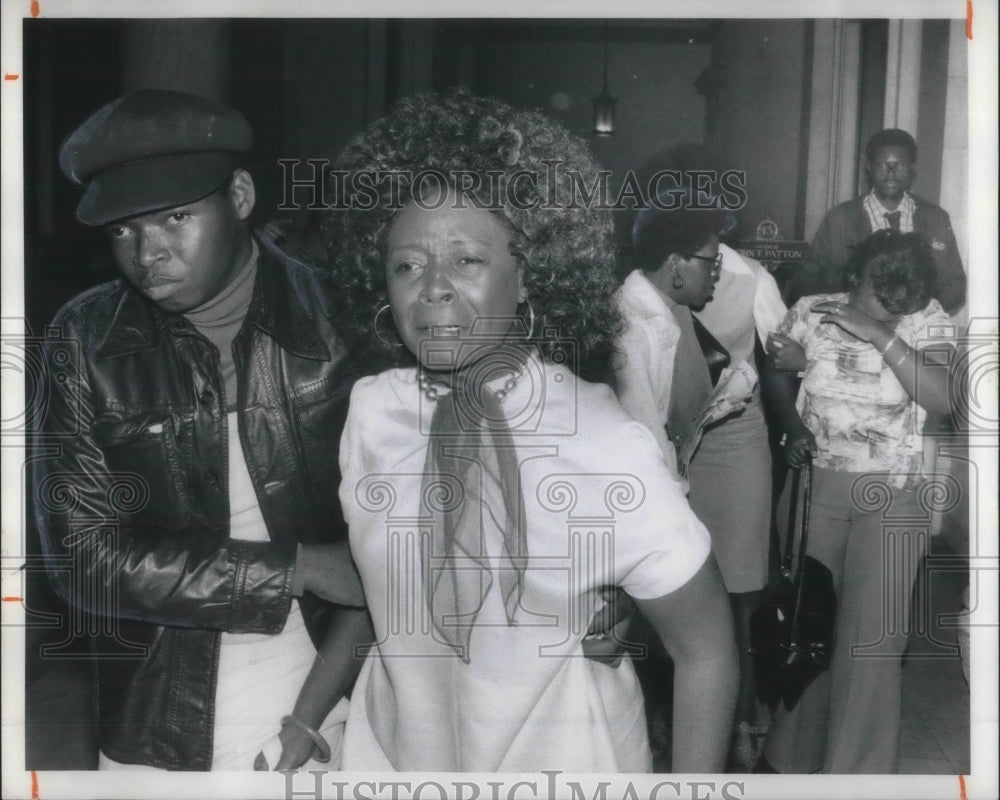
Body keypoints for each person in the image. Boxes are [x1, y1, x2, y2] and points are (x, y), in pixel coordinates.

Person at [281, 88, 738, 773]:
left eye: (466, 260)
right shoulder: (374, 413)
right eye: (405, 264)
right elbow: (386, 594)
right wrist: (306, 719)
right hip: (392, 762)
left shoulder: (600, 437)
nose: (430, 288)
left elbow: (706, 649)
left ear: (530, 274)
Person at [34, 89, 371, 771]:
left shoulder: (347, 321)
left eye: (175, 217)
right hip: (158, 708)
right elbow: (83, 564)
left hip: (333, 683)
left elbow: (413, 529)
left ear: (241, 196)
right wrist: (299, 567)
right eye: (122, 230)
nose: (147, 252)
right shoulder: (84, 337)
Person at [759, 229, 956, 773]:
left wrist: (877, 331)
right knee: (808, 629)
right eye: (881, 298)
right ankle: (792, 760)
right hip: (815, 489)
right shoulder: (811, 309)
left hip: (895, 496)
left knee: (872, 644)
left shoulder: (928, 318)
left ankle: (856, 774)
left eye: (904, 301)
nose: (896, 308)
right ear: (853, 277)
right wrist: (793, 422)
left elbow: (942, 396)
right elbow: (774, 370)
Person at [614, 187, 792, 771]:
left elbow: (675, 426)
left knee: (706, 625)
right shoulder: (636, 328)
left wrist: (730, 399)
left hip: (676, 484)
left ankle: (703, 744)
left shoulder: (668, 310)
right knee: (681, 634)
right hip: (649, 502)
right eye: (710, 261)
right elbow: (646, 447)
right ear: (675, 264)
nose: (719, 271)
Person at [793, 128, 966, 315]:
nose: (891, 173)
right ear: (869, 166)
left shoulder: (936, 218)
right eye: (883, 165)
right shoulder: (839, 219)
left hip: (916, 324)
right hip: (857, 327)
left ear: (911, 168)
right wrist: (850, 284)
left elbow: (955, 285)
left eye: (899, 165)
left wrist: (920, 308)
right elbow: (805, 280)